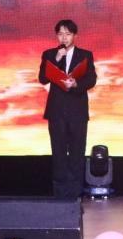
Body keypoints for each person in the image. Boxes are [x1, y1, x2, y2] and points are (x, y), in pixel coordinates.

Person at [39, 20, 97, 199]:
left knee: (77, 153)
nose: (64, 38)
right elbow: (42, 78)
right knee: (58, 153)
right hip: (56, 111)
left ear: (75, 36)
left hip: (77, 111)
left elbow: (91, 79)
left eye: (68, 34)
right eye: (60, 34)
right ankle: (60, 195)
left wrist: (76, 83)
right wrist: (56, 60)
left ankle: (75, 194)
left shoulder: (85, 55)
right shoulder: (49, 54)